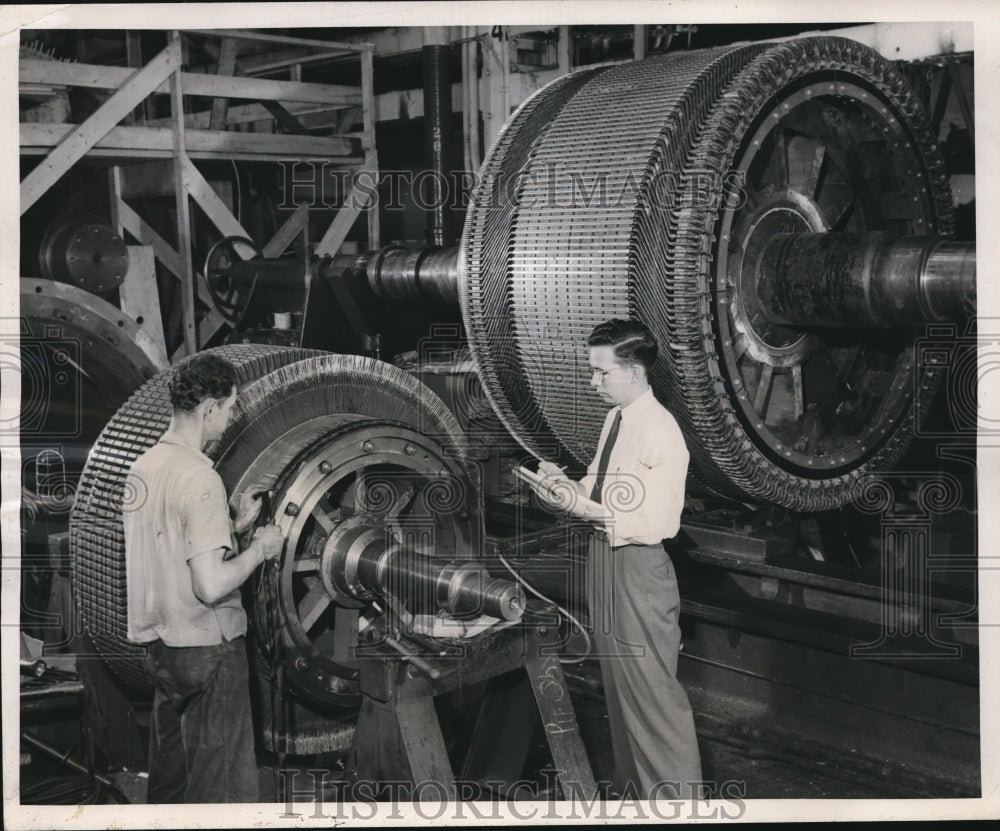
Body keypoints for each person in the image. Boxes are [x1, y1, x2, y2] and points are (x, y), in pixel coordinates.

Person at [530, 318, 701, 799]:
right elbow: (599, 487)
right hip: (604, 557)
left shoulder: (661, 431)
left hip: (639, 567)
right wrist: (565, 487)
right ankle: (637, 802)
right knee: (620, 693)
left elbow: (655, 521)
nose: (593, 381)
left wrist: (581, 507)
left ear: (634, 371)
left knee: (653, 699)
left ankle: (679, 808)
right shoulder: (617, 420)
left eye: (602, 372)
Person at [122, 353, 283, 803]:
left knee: (171, 783)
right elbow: (209, 586)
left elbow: (171, 545)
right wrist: (259, 548)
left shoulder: (145, 466)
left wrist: (232, 526)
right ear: (210, 408)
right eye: (230, 407)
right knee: (223, 793)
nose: (230, 418)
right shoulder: (201, 478)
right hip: (208, 652)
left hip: (162, 650)